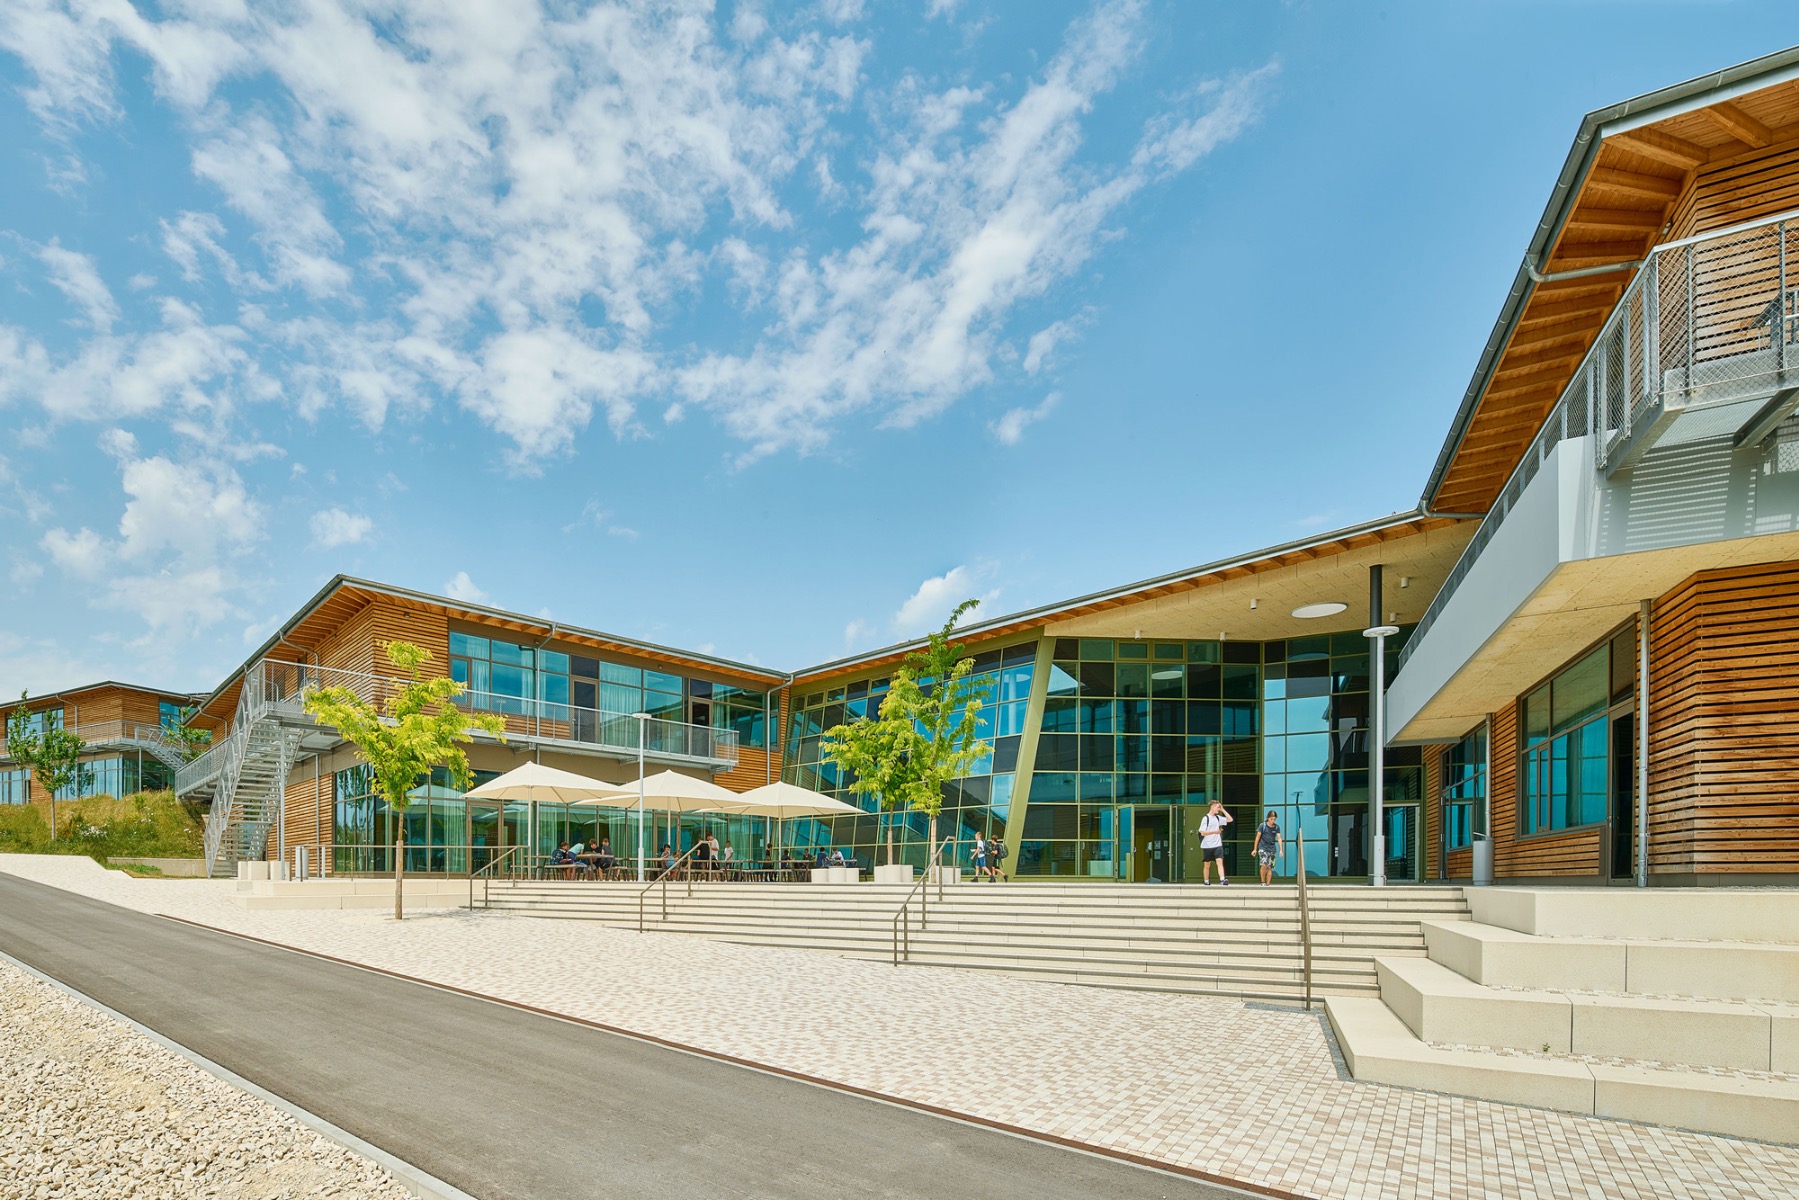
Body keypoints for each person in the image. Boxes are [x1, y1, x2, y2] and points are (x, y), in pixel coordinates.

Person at [1198, 800, 1233, 885]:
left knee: (1219, 861)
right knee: (1207, 864)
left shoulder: (1218, 818)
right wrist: (1214, 832)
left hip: (1217, 844)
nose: (1219, 809)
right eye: (1218, 807)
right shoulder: (1206, 818)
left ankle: (1222, 879)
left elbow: (1230, 819)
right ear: (1212, 807)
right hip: (1207, 845)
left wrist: (1223, 810)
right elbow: (1202, 832)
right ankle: (1206, 880)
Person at [1255, 811, 1284, 886]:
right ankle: (1262, 882)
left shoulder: (1276, 827)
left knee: (1270, 867)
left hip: (1272, 849)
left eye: (1274, 819)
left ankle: (1268, 884)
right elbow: (1257, 837)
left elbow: (1279, 838)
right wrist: (1255, 849)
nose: (1273, 821)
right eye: (1271, 819)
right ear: (1268, 818)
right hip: (1263, 847)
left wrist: (1281, 850)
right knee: (1264, 864)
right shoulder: (1262, 826)